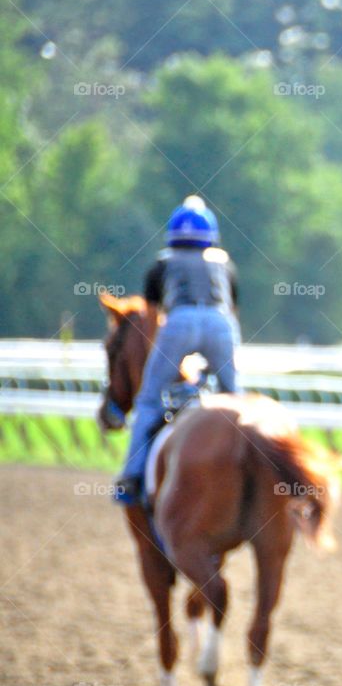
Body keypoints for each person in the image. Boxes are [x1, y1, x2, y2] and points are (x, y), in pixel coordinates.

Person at [114, 195, 240, 506]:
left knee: (147, 400)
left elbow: (153, 319)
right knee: (237, 402)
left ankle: (131, 477)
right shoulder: (224, 262)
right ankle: (259, 466)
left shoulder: (163, 262)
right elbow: (232, 312)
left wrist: (164, 361)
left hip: (179, 320)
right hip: (219, 323)